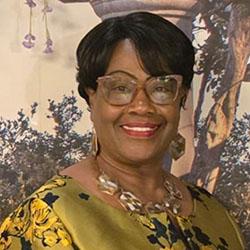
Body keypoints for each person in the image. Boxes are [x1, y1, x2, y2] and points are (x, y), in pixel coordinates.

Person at [0, 12, 245, 250]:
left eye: (161, 87)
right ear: (90, 97)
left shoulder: (212, 212)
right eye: (120, 87)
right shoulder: (46, 218)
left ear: (181, 98)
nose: (142, 105)